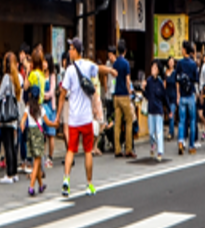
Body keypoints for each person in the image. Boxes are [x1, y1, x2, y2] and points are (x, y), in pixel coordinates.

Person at [57, 37, 112, 196]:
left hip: (74, 118)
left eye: (71, 48)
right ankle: (89, 184)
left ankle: (66, 180)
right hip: (86, 118)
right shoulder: (88, 65)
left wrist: (59, 115)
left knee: (70, 151)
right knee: (88, 151)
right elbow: (99, 68)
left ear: (76, 51)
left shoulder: (69, 70)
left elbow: (62, 94)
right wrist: (110, 70)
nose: (69, 51)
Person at [21, 85, 56, 195]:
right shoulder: (41, 108)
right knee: (37, 161)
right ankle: (31, 186)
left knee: (36, 159)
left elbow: (23, 120)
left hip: (30, 133)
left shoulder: (28, 107)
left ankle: (41, 185)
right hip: (39, 134)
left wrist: (22, 126)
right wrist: (55, 124)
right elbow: (48, 122)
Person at [0, 52, 22, 184]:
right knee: (12, 145)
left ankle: (9, 174)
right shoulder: (16, 77)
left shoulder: (7, 77)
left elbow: (1, 94)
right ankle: (14, 172)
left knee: (7, 145)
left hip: (6, 116)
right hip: (14, 115)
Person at [112, 40, 135, 159]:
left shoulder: (115, 63)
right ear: (125, 51)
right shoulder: (126, 64)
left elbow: (114, 78)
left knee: (117, 123)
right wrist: (130, 91)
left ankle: (117, 149)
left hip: (116, 95)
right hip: (124, 95)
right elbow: (127, 80)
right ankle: (128, 148)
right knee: (129, 121)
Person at [177, 41, 199, 155]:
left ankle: (181, 141)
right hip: (191, 95)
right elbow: (196, 80)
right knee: (192, 121)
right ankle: (191, 146)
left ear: (184, 50)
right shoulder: (193, 64)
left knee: (182, 120)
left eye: (182, 48)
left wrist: (178, 94)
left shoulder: (179, 63)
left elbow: (177, 79)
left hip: (182, 95)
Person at [142, 62, 167, 161]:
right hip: (151, 109)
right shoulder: (148, 81)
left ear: (158, 70)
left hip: (159, 109)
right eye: (152, 67)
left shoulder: (160, 82)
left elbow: (164, 96)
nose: (153, 69)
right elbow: (147, 95)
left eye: (155, 67)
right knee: (151, 132)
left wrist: (168, 109)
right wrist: (143, 88)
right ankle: (153, 145)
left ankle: (160, 152)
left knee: (159, 131)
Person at [163, 57, 178, 143]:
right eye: (170, 62)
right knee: (169, 113)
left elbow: (177, 85)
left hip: (173, 95)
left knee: (171, 113)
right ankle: (171, 130)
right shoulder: (166, 72)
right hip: (167, 96)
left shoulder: (175, 73)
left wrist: (178, 96)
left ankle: (170, 132)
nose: (171, 63)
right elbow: (164, 85)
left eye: (172, 62)